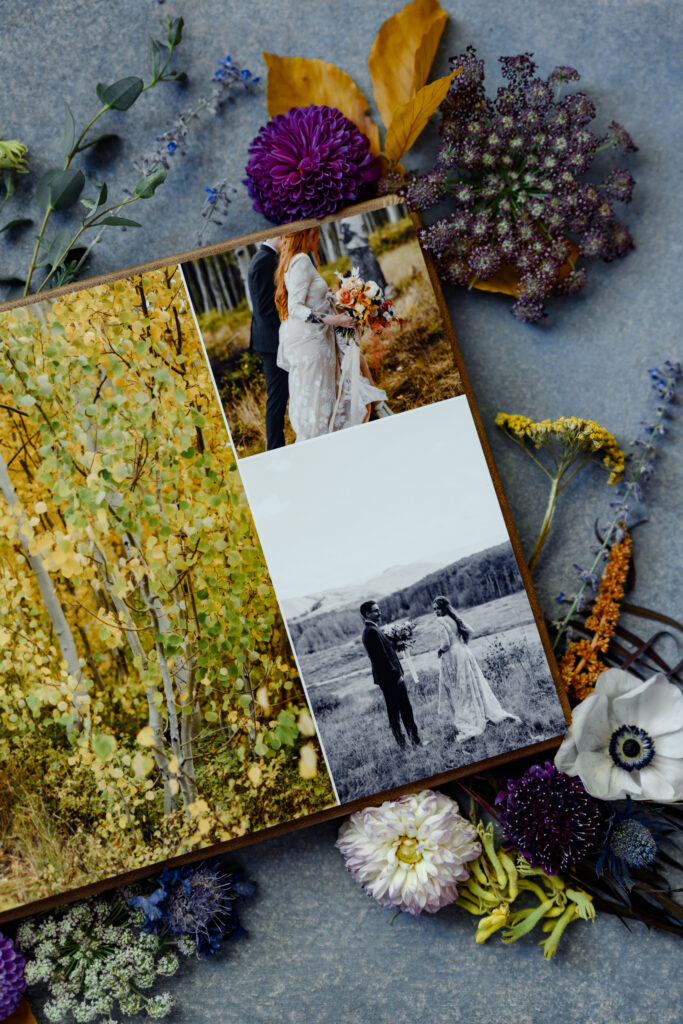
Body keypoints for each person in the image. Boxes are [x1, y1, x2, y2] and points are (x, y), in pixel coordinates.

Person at [274, 227, 386, 442]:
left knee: (325, 393)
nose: (318, 237)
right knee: (316, 399)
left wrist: (346, 299)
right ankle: (319, 441)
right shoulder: (301, 260)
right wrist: (338, 320)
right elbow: (296, 308)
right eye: (315, 233)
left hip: (317, 339)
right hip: (312, 343)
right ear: (304, 234)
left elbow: (312, 298)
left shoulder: (294, 261)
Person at [433, 595, 521, 740]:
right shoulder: (454, 618)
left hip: (453, 656)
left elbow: (446, 644)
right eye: (434, 609)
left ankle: (470, 716)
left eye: (438, 608)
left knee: (460, 688)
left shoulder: (441, 621)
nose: (436, 612)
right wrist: (462, 644)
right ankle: (480, 710)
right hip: (463, 652)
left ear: (444, 607)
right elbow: (469, 631)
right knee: (470, 684)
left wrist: (440, 651)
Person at [360, 600, 421, 750]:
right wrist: (396, 675)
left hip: (388, 678)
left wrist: (397, 644)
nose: (379, 613)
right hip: (391, 678)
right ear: (367, 613)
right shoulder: (371, 631)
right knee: (402, 710)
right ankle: (411, 743)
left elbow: (386, 648)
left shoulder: (373, 629)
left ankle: (407, 744)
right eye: (375, 611)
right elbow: (381, 658)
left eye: (379, 610)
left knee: (397, 711)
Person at [248, 236, 289, 450]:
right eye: (283, 236)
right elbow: (265, 309)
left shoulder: (262, 258)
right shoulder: (265, 261)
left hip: (269, 338)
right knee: (277, 397)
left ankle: (276, 446)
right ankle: (274, 448)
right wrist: (288, 328)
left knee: (280, 395)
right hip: (273, 341)